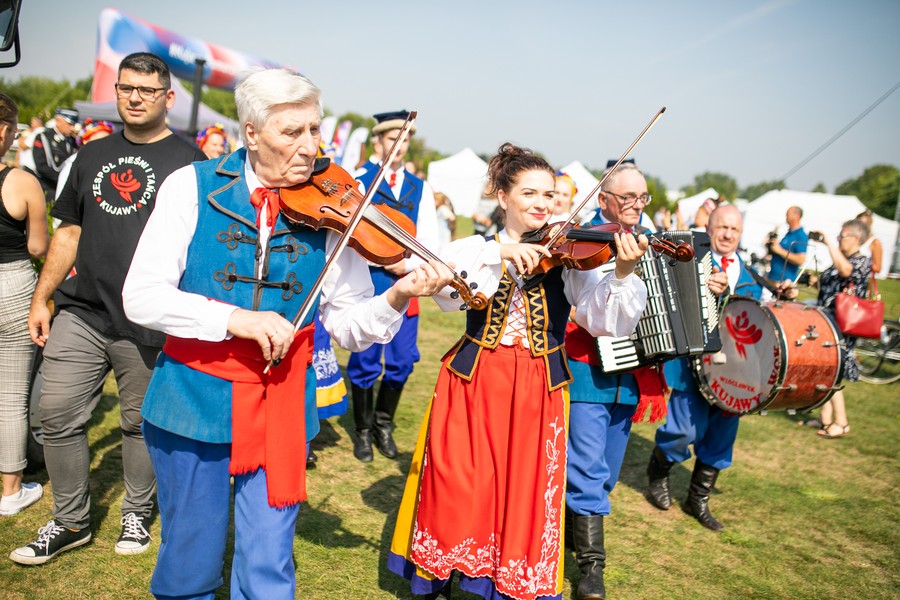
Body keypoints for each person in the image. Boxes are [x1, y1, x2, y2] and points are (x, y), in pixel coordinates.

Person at [120, 67, 452, 599]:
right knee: (189, 554)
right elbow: (141, 296)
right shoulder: (190, 186)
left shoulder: (334, 210)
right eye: (292, 132)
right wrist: (235, 319)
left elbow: (346, 324)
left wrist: (396, 295)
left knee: (269, 561)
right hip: (193, 394)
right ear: (252, 133)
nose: (310, 146)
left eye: (314, 129)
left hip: (282, 400)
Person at [388, 143, 648, 600]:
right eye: (529, 193)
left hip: (537, 387)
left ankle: (506, 582)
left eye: (548, 194)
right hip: (473, 380)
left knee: (521, 493)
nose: (542, 204)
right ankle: (438, 578)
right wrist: (500, 252)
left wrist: (623, 272)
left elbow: (605, 320)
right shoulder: (475, 249)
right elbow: (446, 290)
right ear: (502, 195)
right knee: (457, 484)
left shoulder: (568, 254)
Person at [9, 52, 206, 566]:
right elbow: (68, 232)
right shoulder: (90, 155)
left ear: (168, 97)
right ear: (115, 92)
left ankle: (136, 513)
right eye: (126, 88)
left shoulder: (192, 164)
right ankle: (70, 520)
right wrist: (42, 297)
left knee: (139, 423)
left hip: (150, 321)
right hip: (83, 311)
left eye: (147, 90)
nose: (135, 98)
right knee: (55, 413)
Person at [562, 160, 675, 599]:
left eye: (642, 196)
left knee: (606, 472)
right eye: (627, 196)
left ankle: (567, 531)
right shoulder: (584, 240)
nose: (636, 204)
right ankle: (591, 569)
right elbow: (582, 307)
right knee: (587, 469)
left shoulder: (653, 240)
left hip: (632, 369)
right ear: (604, 199)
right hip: (585, 366)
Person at [645, 204, 762, 531]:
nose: (727, 234)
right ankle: (658, 471)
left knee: (722, 435)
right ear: (709, 228)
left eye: (734, 229)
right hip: (692, 366)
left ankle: (697, 499)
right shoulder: (690, 260)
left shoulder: (752, 277)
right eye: (722, 227)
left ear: (741, 234)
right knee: (683, 430)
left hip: (734, 371)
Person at [346, 110, 440, 463]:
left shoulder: (420, 187)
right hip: (370, 280)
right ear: (378, 141)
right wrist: (380, 258)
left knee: (402, 360)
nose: (399, 145)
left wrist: (409, 265)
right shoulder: (359, 180)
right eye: (392, 138)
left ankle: (383, 425)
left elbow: (430, 239)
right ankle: (363, 430)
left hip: (407, 280)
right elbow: (350, 235)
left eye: (405, 139)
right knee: (366, 358)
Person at [0, 93, 50, 516]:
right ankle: (11, 490)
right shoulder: (20, 181)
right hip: (12, 283)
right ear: (3, 131)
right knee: (12, 395)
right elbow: (37, 246)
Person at [798, 221, 872, 439]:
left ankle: (841, 422)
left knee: (832, 372)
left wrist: (828, 242)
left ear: (856, 239)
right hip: (827, 320)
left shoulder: (861, 261)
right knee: (825, 369)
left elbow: (846, 271)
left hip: (843, 325)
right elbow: (832, 284)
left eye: (842, 236)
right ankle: (825, 418)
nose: (839, 239)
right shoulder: (842, 258)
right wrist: (813, 281)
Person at [30, 108, 78, 202]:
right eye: (69, 124)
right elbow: (41, 166)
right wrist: (64, 179)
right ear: (58, 121)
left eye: (73, 125)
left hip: (64, 190)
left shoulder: (72, 141)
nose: (72, 128)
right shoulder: (44, 137)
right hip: (47, 189)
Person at [766, 205, 808, 284]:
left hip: (785, 282)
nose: (786, 216)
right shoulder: (788, 234)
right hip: (773, 278)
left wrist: (779, 250)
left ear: (797, 216)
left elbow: (801, 260)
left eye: (788, 214)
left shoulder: (801, 235)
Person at [855, 210, 883, 276]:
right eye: (857, 223)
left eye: (862, 224)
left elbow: (877, 268)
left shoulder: (875, 242)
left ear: (869, 225)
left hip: (864, 279)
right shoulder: (854, 240)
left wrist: (859, 261)